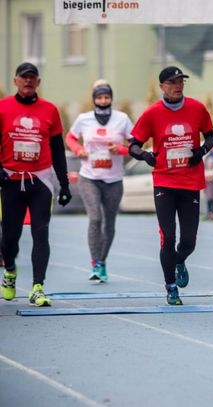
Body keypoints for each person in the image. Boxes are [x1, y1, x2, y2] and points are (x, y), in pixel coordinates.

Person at [129, 66, 213, 305]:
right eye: (172, 82)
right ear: (162, 87)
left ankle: (179, 260)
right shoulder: (152, 113)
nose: (178, 86)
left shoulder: (197, 108)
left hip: (190, 182)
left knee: (189, 241)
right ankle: (170, 286)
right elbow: (133, 145)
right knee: (167, 237)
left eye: (181, 81)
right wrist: (145, 156)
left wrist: (201, 151)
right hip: (164, 182)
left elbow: (211, 136)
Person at [0, 62, 72, 306]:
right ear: (16, 81)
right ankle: (10, 270)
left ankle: (37, 287)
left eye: (32, 77)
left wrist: (64, 184)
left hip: (40, 180)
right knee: (10, 238)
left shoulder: (49, 110)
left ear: (38, 82)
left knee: (41, 232)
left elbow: (58, 150)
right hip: (11, 179)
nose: (28, 81)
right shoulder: (3, 107)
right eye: (24, 77)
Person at [66, 80, 133, 282]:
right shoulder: (84, 119)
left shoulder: (122, 119)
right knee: (95, 218)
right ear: (94, 99)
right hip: (89, 177)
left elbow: (136, 145)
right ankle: (95, 262)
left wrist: (120, 150)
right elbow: (70, 138)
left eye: (106, 97)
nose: (103, 101)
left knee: (109, 222)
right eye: (99, 97)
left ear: (111, 98)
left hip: (114, 179)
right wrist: (78, 149)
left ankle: (102, 261)